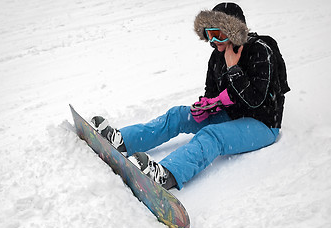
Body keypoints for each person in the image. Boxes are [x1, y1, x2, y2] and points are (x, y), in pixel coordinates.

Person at [91, 2, 290, 190]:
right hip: (232, 114)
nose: (214, 41)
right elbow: (211, 93)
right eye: (210, 34)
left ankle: (166, 175)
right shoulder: (217, 57)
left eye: (219, 35)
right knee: (179, 115)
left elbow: (256, 101)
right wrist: (205, 107)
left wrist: (234, 68)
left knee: (212, 136)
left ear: (234, 33)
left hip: (262, 123)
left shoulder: (260, 52)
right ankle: (123, 141)